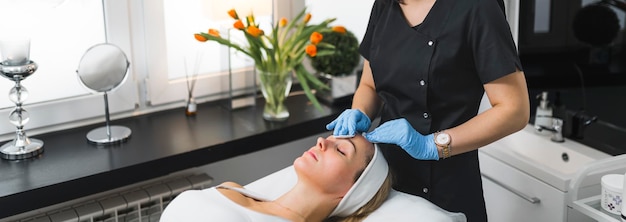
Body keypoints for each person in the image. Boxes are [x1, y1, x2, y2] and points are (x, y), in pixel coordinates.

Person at [325, 0, 530, 221]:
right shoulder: (384, 5)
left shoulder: (477, 7)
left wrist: (431, 145)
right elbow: (369, 84)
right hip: (387, 179)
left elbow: (515, 110)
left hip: (446, 185)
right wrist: (361, 112)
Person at [160, 134, 392, 222]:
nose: (323, 141)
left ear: (351, 191)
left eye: (341, 150)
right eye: (332, 137)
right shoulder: (233, 189)